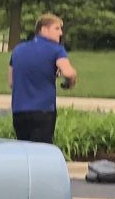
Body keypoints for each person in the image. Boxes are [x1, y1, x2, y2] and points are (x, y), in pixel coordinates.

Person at [6, 13, 77, 144]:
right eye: (57, 28)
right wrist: (70, 82)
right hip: (43, 111)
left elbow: (11, 82)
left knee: (25, 150)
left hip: (19, 111)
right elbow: (68, 73)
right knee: (41, 151)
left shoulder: (18, 50)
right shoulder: (56, 50)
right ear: (43, 29)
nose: (61, 33)